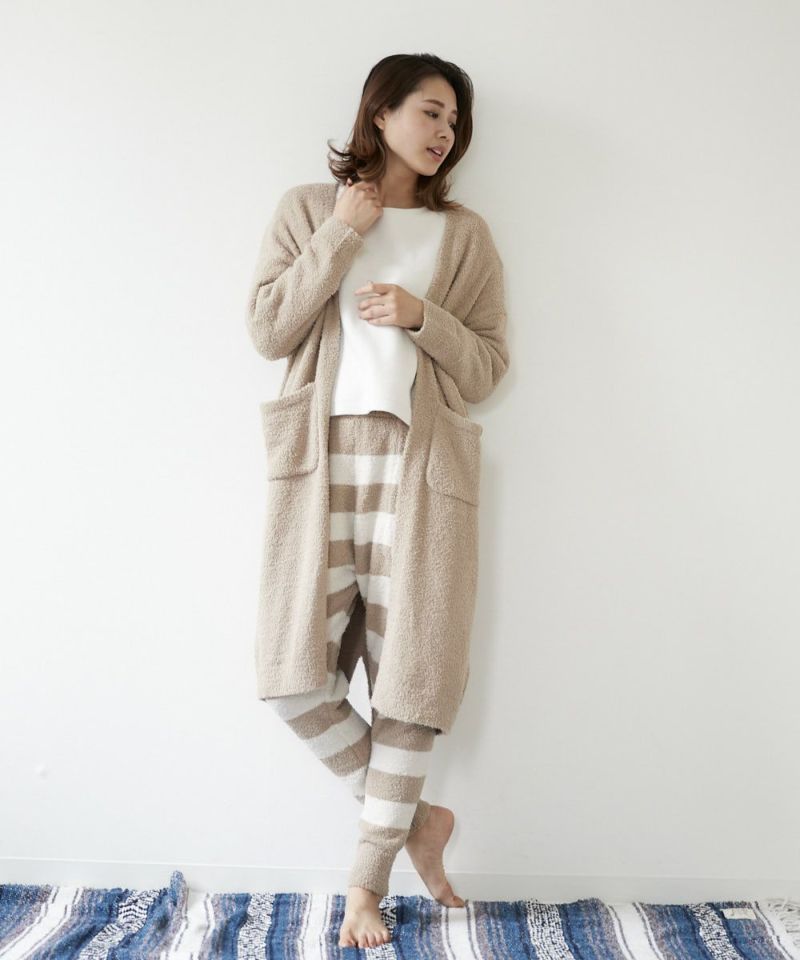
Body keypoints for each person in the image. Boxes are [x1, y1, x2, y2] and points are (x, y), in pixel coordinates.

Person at [244, 52, 510, 950]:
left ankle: (365, 888)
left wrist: (422, 317)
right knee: (293, 679)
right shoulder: (308, 209)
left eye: (455, 122)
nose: (445, 133)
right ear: (381, 111)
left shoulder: (463, 236)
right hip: (321, 469)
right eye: (431, 112)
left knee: (410, 684)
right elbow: (268, 329)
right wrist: (339, 235)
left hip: (418, 474)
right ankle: (419, 822)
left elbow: (489, 368)